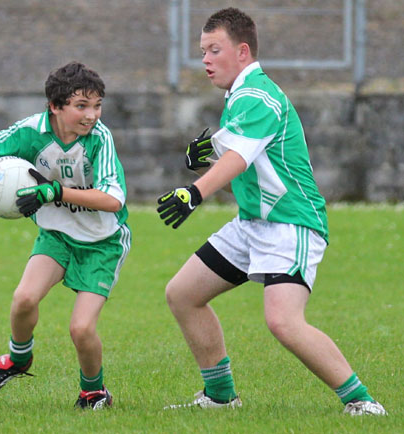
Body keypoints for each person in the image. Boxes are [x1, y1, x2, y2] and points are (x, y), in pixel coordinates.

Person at [157, 8, 386, 415]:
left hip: (290, 225)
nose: (205, 60)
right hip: (252, 225)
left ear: (243, 51)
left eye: (214, 50)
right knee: (183, 294)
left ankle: (362, 403)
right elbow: (246, 170)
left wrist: (195, 191)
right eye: (201, 51)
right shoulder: (241, 98)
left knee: (283, 322)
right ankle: (220, 397)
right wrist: (204, 165)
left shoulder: (258, 95)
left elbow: (238, 161)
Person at [0, 61, 131, 410]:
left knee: (81, 329)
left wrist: (55, 192)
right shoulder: (32, 131)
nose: (92, 115)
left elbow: (113, 199)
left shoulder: (100, 138)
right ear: (55, 107)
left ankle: (94, 392)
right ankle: (18, 359)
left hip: (102, 243)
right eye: (81, 106)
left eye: (97, 105)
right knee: (24, 299)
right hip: (56, 235)